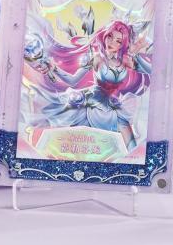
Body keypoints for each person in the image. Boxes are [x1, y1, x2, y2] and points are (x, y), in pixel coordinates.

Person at [29, 20, 151, 150]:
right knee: (80, 141)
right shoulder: (97, 58)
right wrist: (55, 68)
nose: (111, 42)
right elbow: (72, 80)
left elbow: (151, 71)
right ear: (105, 35)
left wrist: (135, 54)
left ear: (123, 45)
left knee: (130, 143)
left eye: (118, 41)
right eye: (110, 36)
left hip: (113, 106)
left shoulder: (126, 61)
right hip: (92, 103)